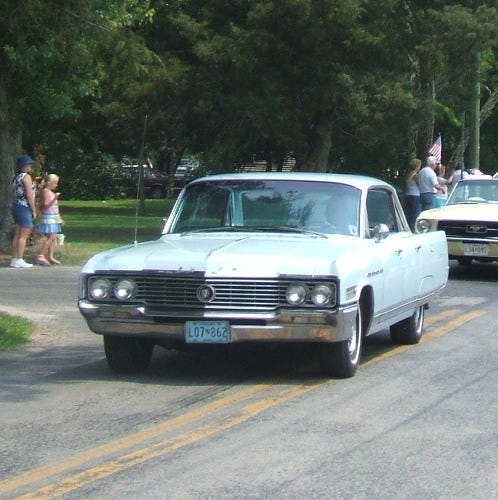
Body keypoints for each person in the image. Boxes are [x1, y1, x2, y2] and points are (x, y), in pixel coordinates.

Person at [10, 155, 37, 268]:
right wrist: (33, 210)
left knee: (17, 233)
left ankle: (15, 258)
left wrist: (14, 202)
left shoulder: (15, 177)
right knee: (23, 235)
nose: (31, 166)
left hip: (16, 205)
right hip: (25, 206)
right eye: (29, 164)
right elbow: (30, 195)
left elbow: (11, 192)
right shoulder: (26, 177)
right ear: (25, 166)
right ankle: (20, 259)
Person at [36, 174, 64, 265]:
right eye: (55, 183)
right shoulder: (46, 191)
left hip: (54, 217)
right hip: (49, 217)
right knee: (51, 237)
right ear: (49, 183)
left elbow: (56, 208)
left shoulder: (50, 192)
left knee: (53, 237)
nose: (56, 185)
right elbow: (47, 204)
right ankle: (41, 255)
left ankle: (51, 256)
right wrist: (54, 198)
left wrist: (59, 218)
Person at [404, 158, 421, 230]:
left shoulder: (408, 174)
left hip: (408, 193)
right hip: (415, 195)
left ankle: (407, 225)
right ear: (417, 166)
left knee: (409, 212)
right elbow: (420, 184)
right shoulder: (415, 175)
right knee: (415, 213)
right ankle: (412, 227)